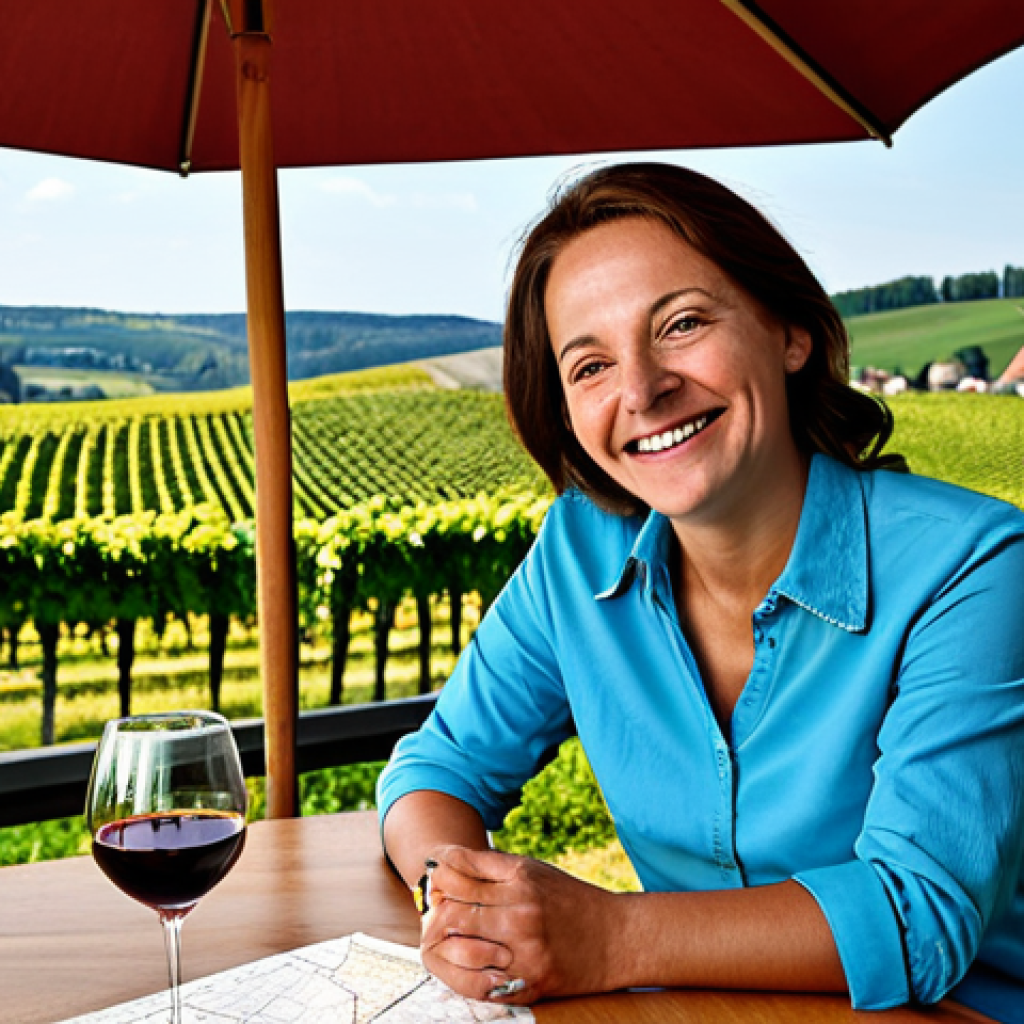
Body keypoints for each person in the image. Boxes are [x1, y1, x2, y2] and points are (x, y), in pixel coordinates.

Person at [377, 163, 1024, 1022]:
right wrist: (456, 902)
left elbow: (917, 915)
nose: (641, 390)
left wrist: (609, 938)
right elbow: (437, 766)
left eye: (680, 324)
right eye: (590, 365)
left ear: (789, 330)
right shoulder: (579, 549)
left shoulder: (975, 566)